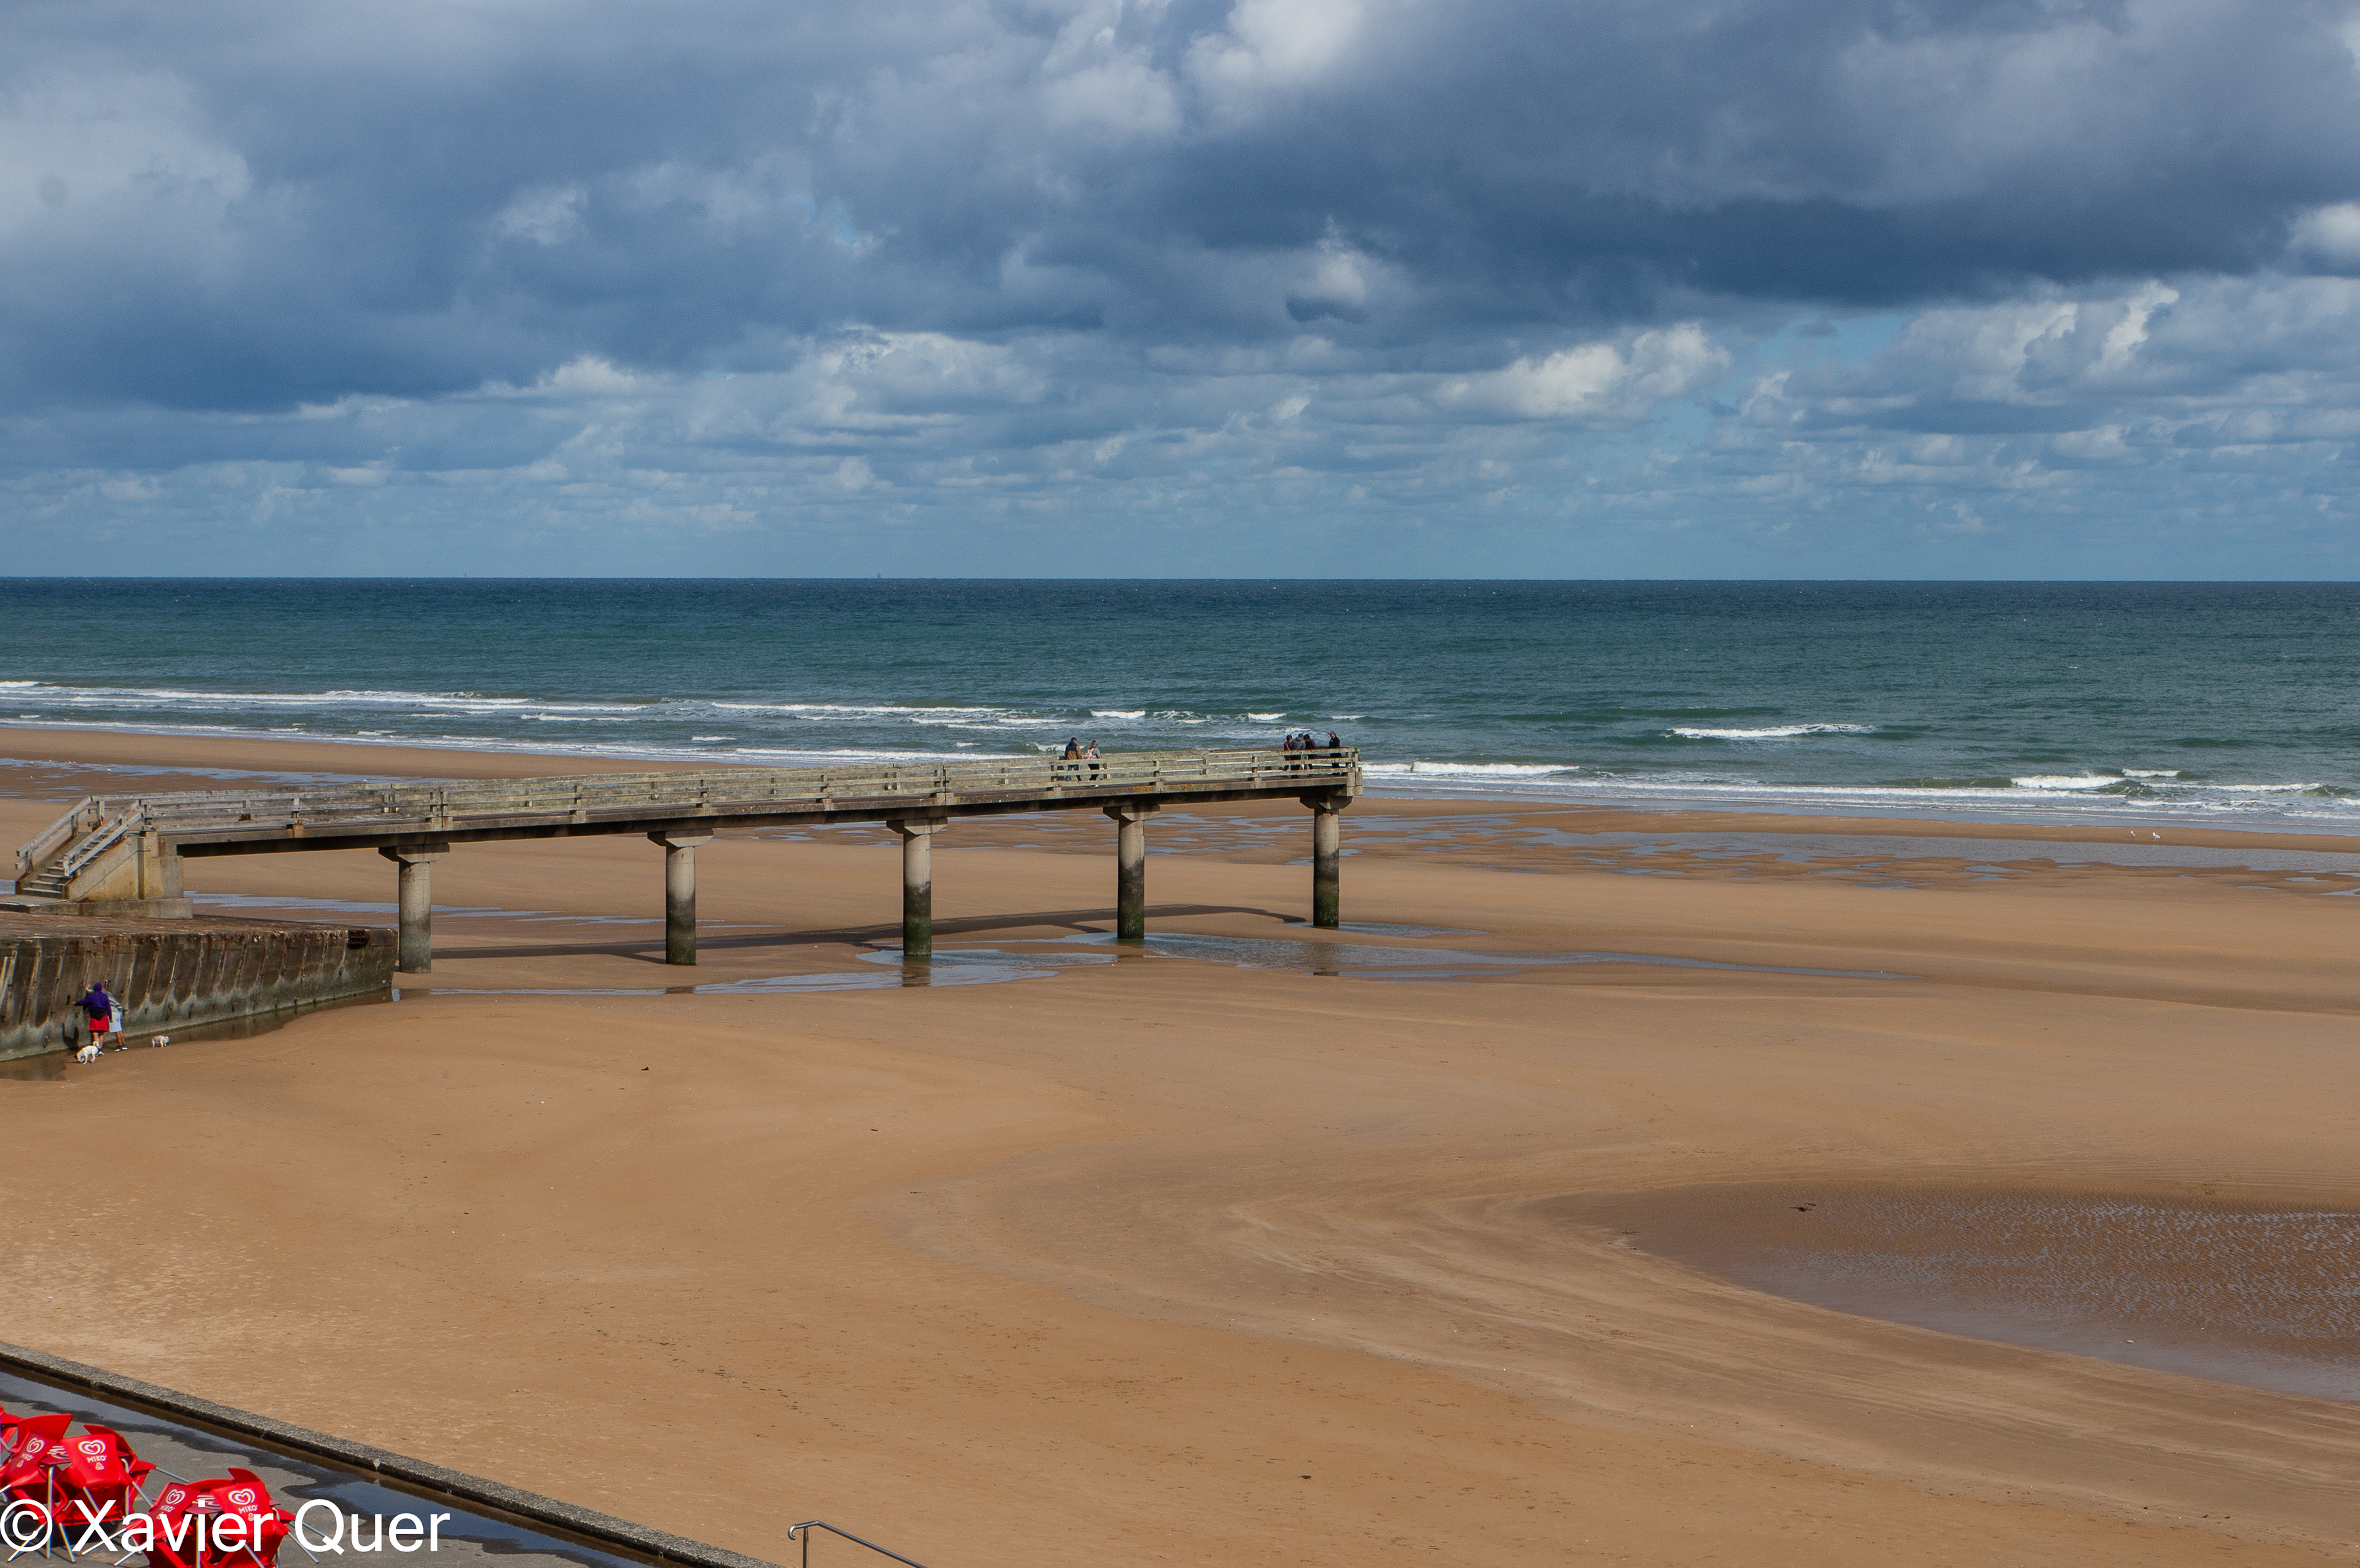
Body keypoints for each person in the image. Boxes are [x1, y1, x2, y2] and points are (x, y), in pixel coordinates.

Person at [76, 981, 117, 1053]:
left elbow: (83, 1002)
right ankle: (100, 1048)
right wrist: (110, 1017)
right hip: (103, 1015)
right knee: (101, 1033)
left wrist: (76, 1004)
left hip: (95, 1016)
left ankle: (97, 1049)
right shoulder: (105, 996)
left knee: (95, 1033)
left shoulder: (92, 996)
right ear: (101, 989)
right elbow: (108, 1007)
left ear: (95, 989)